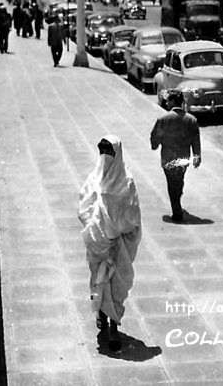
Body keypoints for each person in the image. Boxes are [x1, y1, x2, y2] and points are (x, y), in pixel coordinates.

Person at [78, 135, 141, 352]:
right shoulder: (94, 179)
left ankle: (113, 326)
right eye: (102, 151)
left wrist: (117, 229)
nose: (105, 156)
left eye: (109, 152)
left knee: (116, 287)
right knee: (99, 282)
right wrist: (94, 226)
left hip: (118, 245)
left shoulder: (127, 182)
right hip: (98, 243)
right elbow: (83, 206)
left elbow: (133, 216)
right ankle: (102, 318)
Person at [150, 91, 201, 221]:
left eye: (168, 100)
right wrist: (197, 156)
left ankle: (176, 209)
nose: (166, 103)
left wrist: (155, 144)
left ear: (173, 102)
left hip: (168, 158)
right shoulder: (191, 120)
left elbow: (155, 137)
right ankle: (177, 204)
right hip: (183, 158)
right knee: (179, 181)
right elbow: (196, 140)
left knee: (172, 183)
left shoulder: (163, 119)